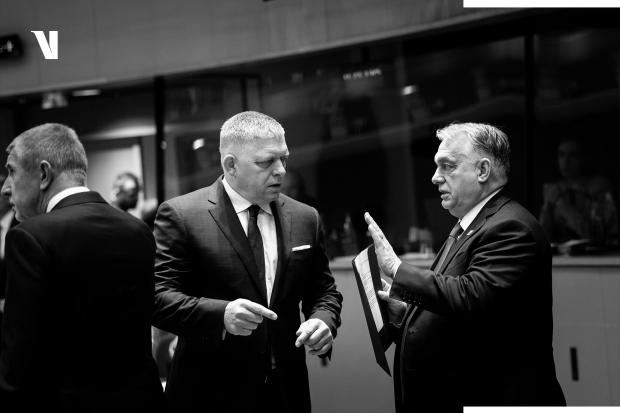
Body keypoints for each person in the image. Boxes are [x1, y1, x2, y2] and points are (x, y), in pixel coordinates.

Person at [365, 122, 565, 411]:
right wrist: (406, 317)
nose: (435, 177)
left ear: (483, 171)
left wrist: (397, 269)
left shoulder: (511, 226)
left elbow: (470, 296)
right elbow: (460, 318)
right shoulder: (467, 226)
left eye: (447, 166)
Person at [152, 111, 343, 413]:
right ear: (231, 165)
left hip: (286, 391)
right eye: (266, 162)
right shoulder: (182, 216)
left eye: (284, 158)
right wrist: (221, 315)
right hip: (210, 393)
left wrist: (323, 320)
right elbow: (158, 299)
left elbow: (324, 291)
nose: (281, 170)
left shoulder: (305, 217)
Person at [0, 123, 166, 412]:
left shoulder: (28, 237)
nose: (5, 187)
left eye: (11, 171)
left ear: (43, 174)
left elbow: (19, 359)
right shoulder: (138, 230)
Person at [539, 138, 618, 247]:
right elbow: (542, 239)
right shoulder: (554, 189)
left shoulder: (598, 186)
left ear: (582, 158)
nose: (566, 161)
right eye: (561, 155)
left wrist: (562, 205)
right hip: (561, 255)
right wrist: (546, 209)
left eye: (572, 155)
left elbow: (593, 236)